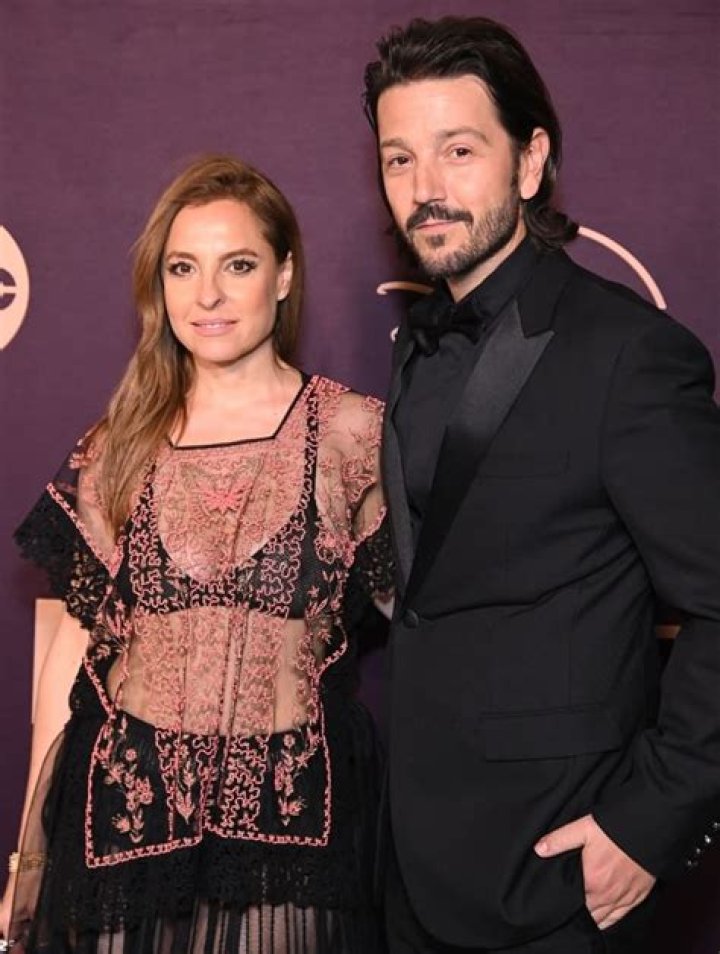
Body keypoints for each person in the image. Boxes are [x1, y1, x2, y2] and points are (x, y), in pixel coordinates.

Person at [363, 15, 720, 954]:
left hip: (556, 877)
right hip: (413, 871)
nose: (425, 188)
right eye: (399, 159)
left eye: (458, 151)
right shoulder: (415, 350)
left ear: (529, 162)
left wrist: (648, 822)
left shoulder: (629, 355)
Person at [0, 155, 393, 954]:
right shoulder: (117, 445)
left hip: (287, 834)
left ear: (284, 276)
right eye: (183, 268)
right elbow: (78, 645)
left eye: (237, 265)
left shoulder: (354, 435)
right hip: (125, 827)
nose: (207, 295)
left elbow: (429, 624)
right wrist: (27, 858)